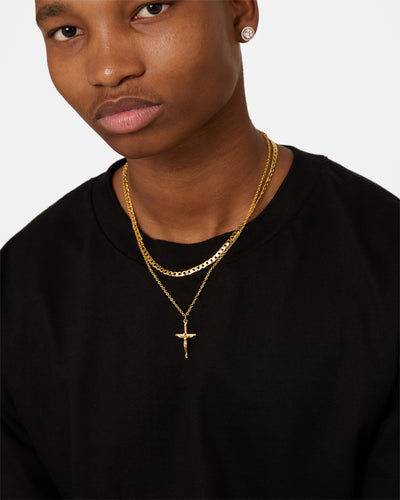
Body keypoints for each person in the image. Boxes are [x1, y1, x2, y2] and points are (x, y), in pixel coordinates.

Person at [1, 1, 398, 498]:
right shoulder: (22, 287)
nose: (107, 69)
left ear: (239, 10)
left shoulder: (382, 257)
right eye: (66, 31)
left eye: (150, 8)